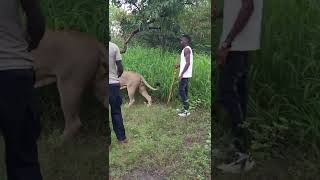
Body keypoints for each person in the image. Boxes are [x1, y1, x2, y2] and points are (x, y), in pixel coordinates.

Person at [215, 0, 263, 173]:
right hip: (239, 44)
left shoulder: (233, 44)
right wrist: (218, 14)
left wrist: (227, 43)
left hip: (236, 45)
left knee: (227, 94)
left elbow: (248, 7)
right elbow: (237, 6)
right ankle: (239, 150)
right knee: (238, 95)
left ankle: (242, 156)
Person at [0, 0, 45, 179]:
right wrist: (29, 43)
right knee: (23, 157)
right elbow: (35, 18)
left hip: (14, 69)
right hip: (14, 69)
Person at [108, 35, 128, 151]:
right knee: (116, 111)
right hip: (114, 85)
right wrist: (116, 76)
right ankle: (122, 138)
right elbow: (120, 67)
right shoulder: (114, 47)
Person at [175, 34, 193, 117]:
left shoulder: (186, 49)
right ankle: (185, 108)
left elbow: (188, 63)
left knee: (181, 91)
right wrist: (178, 65)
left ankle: (186, 111)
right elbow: (185, 62)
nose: (180, 42)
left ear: (186, 41)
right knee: (184, 91)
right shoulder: (185, 49)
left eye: (182, 40)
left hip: (185, 75)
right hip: (186, 74)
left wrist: (181, 74)